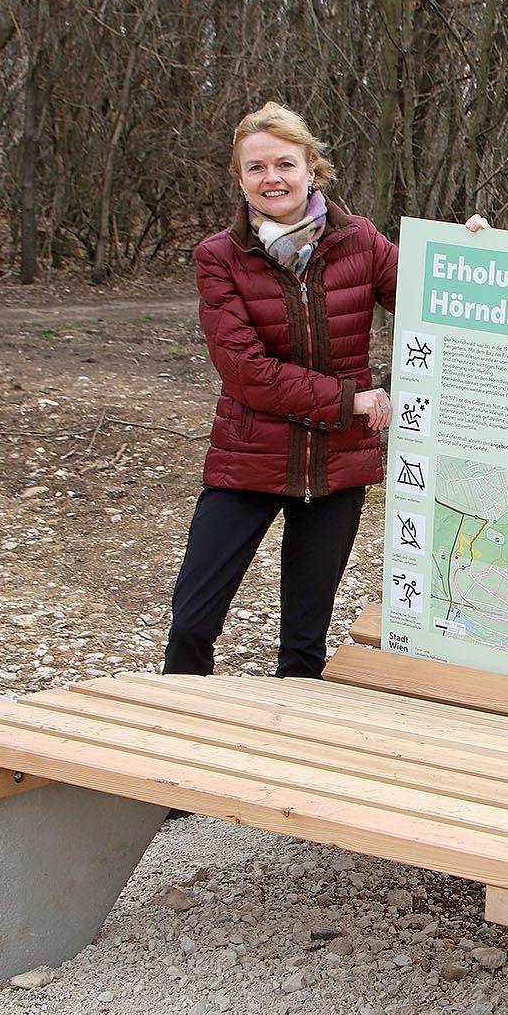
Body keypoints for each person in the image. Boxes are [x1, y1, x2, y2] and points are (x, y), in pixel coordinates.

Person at [162, 101, 397, 680]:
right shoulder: (219, 257)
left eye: (285, 164)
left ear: (312, 169)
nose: (273, 179)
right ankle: (179, 742)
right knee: (192, 623)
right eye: (256, 168)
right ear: (240, 179)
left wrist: (469, 251)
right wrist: (350, 401)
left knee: (303, 647)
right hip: (249, 455)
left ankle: (286, 757)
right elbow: (246, 371)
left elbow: (436, 302)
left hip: (336, 465)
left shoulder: (361, 241)